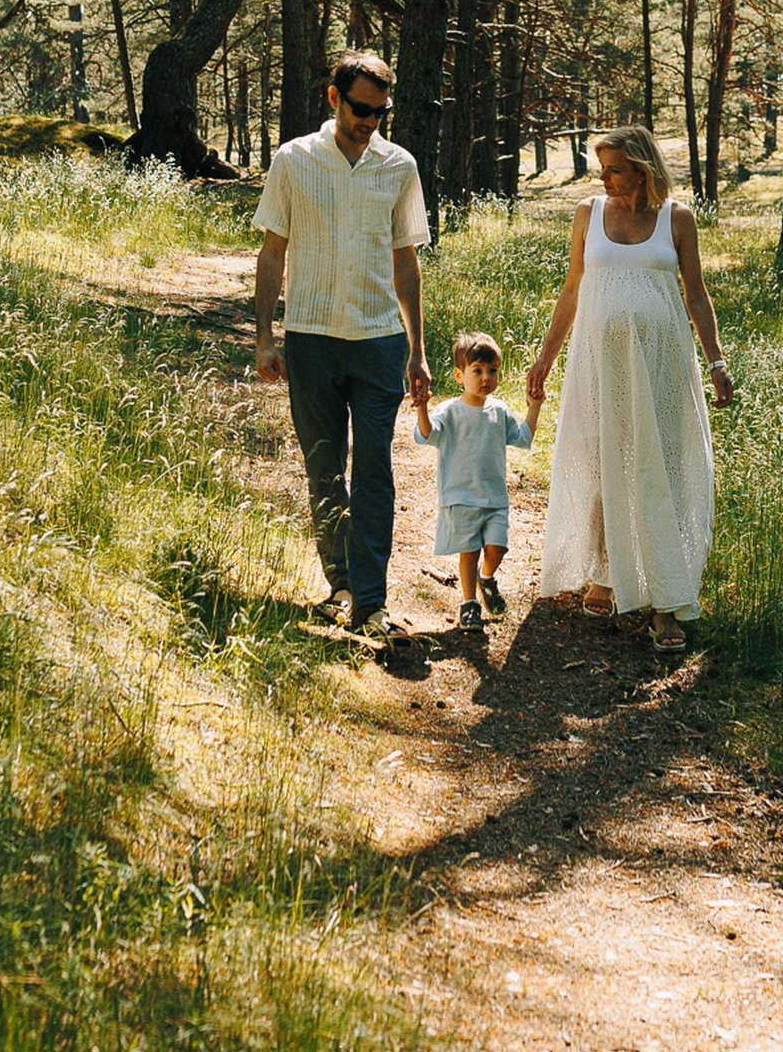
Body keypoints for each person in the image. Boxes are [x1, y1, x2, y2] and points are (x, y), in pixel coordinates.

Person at [527, 125, 734, 653]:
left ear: (642, 168)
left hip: (662, 367)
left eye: (613, 168)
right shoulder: (587, 214)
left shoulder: (677, 219)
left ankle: (666, 599)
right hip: (598, 365)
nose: (605, 178)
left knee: (657, 469)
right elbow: (572, 291)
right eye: (602, 169)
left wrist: (716, 361)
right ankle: (604, 573)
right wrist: (544, 360)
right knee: (599, 460)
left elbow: (696, 294)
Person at [253, 51, 431, 643]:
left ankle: (373, 601)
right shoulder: (294, 160)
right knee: (324, 468)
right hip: (312, 339)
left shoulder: (399, 166)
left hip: (380, 341)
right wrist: (263, 336)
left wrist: (417, 349)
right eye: (361, 109)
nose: (370, 121)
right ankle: (341, 587)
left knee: (376, 470)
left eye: (381, 112)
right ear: (334, 99)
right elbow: (272, 252)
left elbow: (406, 262)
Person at [414, 330, 539, 631]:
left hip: (494, 498)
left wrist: (534, 406)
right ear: (460, 375)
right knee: (468, 552)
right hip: (461, 497)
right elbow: (427, 435)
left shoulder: (500, 412)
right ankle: (469, 604)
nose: (486, 378)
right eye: (478, 371)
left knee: (497, 548)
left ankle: (487, 578)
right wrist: (421, 407)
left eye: (492, 371)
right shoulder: (450, 411)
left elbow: (522, 438)